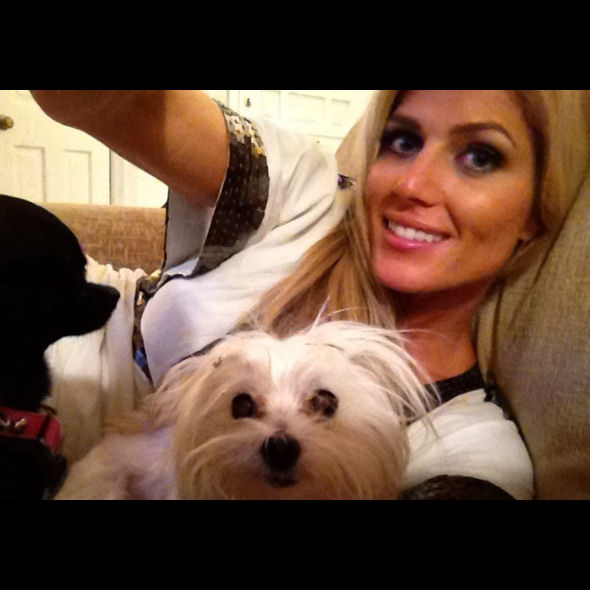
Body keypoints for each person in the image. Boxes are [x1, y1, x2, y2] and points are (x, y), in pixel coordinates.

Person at [29, 90, 590, 499]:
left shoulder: (470, 444)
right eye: (401, 141)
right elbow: (111, 105)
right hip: (46, 321)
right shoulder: (308, 193)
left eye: (481, 157)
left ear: (535, 210)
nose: (413, 184)